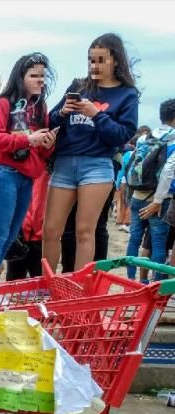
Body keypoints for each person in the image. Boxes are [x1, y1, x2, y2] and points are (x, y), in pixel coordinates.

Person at [43, 33, 140, 272]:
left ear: (115, 60)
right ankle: (46, 285)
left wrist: (96, 115)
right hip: (65, 163)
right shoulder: (78, 86)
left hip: (97, 164)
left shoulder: (127, 94)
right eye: (91, 60)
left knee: (85, 231)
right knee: (50, 230)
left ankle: (79, 289)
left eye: (100, 60)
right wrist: (62, 112)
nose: (94, 65)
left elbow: (122, 135)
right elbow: (51, 119)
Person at [0, 52, 56, 283]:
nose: (40, 80)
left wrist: (47, 145)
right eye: (34, 75)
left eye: (42, 76)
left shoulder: (40, 108)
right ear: (20, 77)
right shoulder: (4, 103)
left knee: (9, 236)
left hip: (25, 178)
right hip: (3, 174)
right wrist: (28, 139)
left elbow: (39, 151)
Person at [124, 98, 175, 279]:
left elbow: (132, 165)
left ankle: (132, 280)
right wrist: (158, 201)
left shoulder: (145, 137)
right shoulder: (172, 140)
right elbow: (168, 171)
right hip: (159, 199)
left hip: (137, 195)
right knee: (159, 244)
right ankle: (155, 286)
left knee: (134, 240)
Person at [7, 170, 50, 281]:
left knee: (38, 284)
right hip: (21, 235)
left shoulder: (45, 171)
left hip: (33, 235)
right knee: (15, 284)